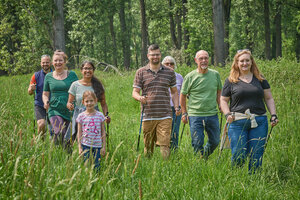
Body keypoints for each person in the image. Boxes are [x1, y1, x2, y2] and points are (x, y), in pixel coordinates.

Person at [220, 49, 279, 172]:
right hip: (237, 121)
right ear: (237, 63)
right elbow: (223, 100)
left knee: (256, 154)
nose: (244, 63)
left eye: (247, 60)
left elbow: (269, 98)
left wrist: (273, 115)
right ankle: (236, 179)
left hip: (259, 121)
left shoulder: (260, 79)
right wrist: (227, 114)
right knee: (238, 154)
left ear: (252, 62)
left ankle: (254, 181)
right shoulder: (230, 81)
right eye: (241, 61)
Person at [132, 44, 181, 159]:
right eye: (153, 55)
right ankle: (149, 167)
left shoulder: (169, 72)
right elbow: (134, 92)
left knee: (165, 144)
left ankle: (165, 167)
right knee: (148, 146)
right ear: (148, 56)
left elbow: (174, 92)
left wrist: (177, 107)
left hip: (165, 114)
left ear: (160, 55)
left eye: (157, 54)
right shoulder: (141, 72)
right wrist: (140, 98)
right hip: (147, 114)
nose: (155, 57)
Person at [180, 50, 222, 158]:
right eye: (201, 58)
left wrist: (221, 105)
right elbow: (183, 95)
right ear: (196, 60)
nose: (204, 61)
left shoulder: (215, 75)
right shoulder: (190, 77)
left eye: (206, 58)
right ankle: (199, 162)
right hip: (195, 115)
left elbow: (219, 92)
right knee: (197, 142)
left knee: (215, 141)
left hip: (212, 114)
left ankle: (203, 156)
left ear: (209, 59)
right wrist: (184, 113)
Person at [67, 61, 110, 144]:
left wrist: (106, 116)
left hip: (94, 115)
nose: (88, 71)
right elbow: (69, 103)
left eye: (90, 68)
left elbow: (103, 104)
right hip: (79, 114)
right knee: (76, 138)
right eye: (85, 68)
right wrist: (70, 106)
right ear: (81, 70)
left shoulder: (98, 85)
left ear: (93, 70)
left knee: (96, 137)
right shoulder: (75, 85)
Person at [42, 50, 78, 146]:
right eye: (56, 60)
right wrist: (46, 102)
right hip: (54, 109)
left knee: (68, 137)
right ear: (52, 63)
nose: (58, 63)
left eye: (60, 60)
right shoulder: (48, 77)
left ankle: (66, 156)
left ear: (64, 62)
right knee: (59, 131)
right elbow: (45, 93)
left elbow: (78, 90)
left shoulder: (72, 75)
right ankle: (57, 146)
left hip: (69, 110)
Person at [76, 90, 106, 172]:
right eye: (87, 101)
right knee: (86, 166)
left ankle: (96, 180)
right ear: (83, 102)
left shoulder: (100, 115)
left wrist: (104, 146)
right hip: (85, 144)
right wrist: (79, 147)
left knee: (97, 166)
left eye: (91, 101)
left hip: (97, 145)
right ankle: (87, 180)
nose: (89, 103)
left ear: (96, 101)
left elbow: (103, 132)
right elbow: (79, 133)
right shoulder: (81, 116)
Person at [162, 56, 183, 151]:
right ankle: (164, 152)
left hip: (176, 108)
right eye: (167, 63)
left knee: (175, 131)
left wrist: (182, 107)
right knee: (164, 132)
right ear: (162, 65)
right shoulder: (160, 76)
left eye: (171, 63)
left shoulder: (179, 77)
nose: (169, 65)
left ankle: (174, 152)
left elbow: (182, 93)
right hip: (163, 108)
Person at [28, 54, 52, 137]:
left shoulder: (55, 74)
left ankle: (54, 145)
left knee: (54, 128)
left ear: (51, 63)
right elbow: (29, 92)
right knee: (41, 124)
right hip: (39, 104)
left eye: (47, 62)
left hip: (53, 104)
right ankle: (41, 144)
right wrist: (31, 89)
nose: (45, 64)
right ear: (41, 63)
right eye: (43, 62)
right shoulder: (36, 75)